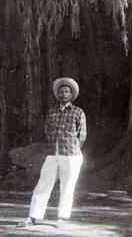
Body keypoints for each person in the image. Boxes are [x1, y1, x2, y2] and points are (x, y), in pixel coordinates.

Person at [20, 77, 87, 228]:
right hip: (52, 154)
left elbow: (82, 136)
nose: (63, 94)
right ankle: (34, 217)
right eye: (61, 92)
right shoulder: (52, 112)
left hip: (71, 156)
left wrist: (71, 147)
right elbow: (47, 131)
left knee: (67, 186)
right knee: (43, 184)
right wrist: (54, 147)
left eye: (66, 92)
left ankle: (62, 218)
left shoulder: (78, 112)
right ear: (58, 95)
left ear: (71, 95)